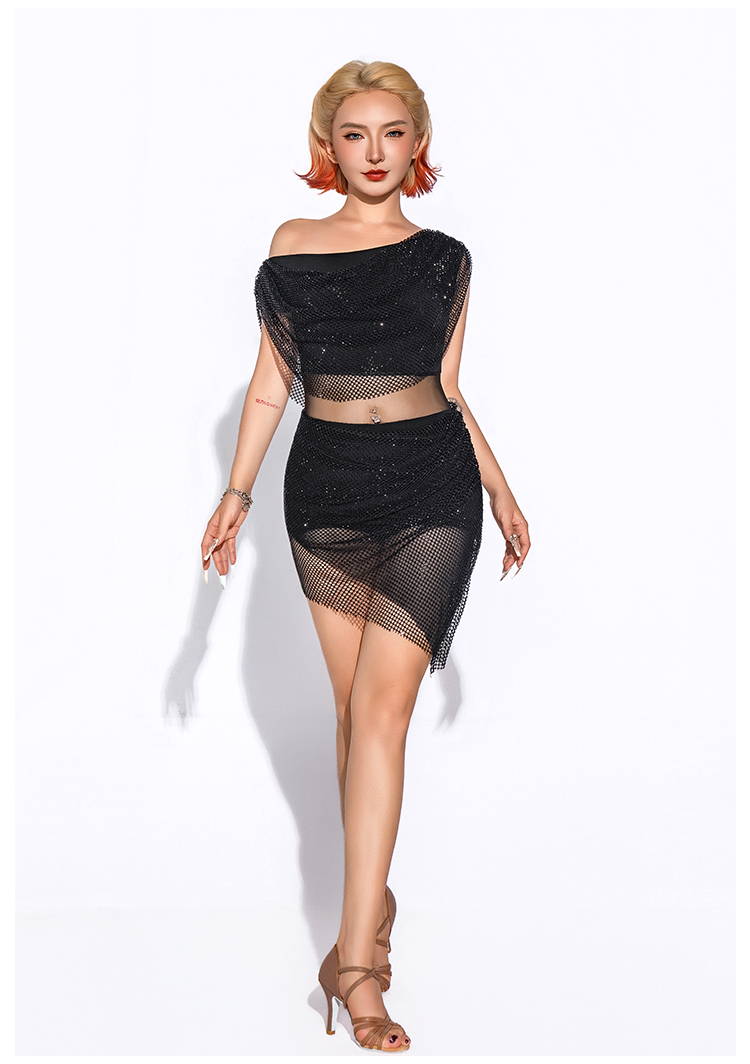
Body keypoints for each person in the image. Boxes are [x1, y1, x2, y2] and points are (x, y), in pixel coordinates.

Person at [200, 59, 530, 1053]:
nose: (375, 151)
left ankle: (356, 968)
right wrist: (234, 491)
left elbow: (449, 387)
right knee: (351, 716)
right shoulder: (291, 248)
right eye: (356, 133)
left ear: (417, 144)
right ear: (328, 147)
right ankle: (371, 904)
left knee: (382, 715)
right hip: (326, 488)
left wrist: (499, 486)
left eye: (393, 132)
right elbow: (271, 382)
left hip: (433, 486)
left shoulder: (445, 259)